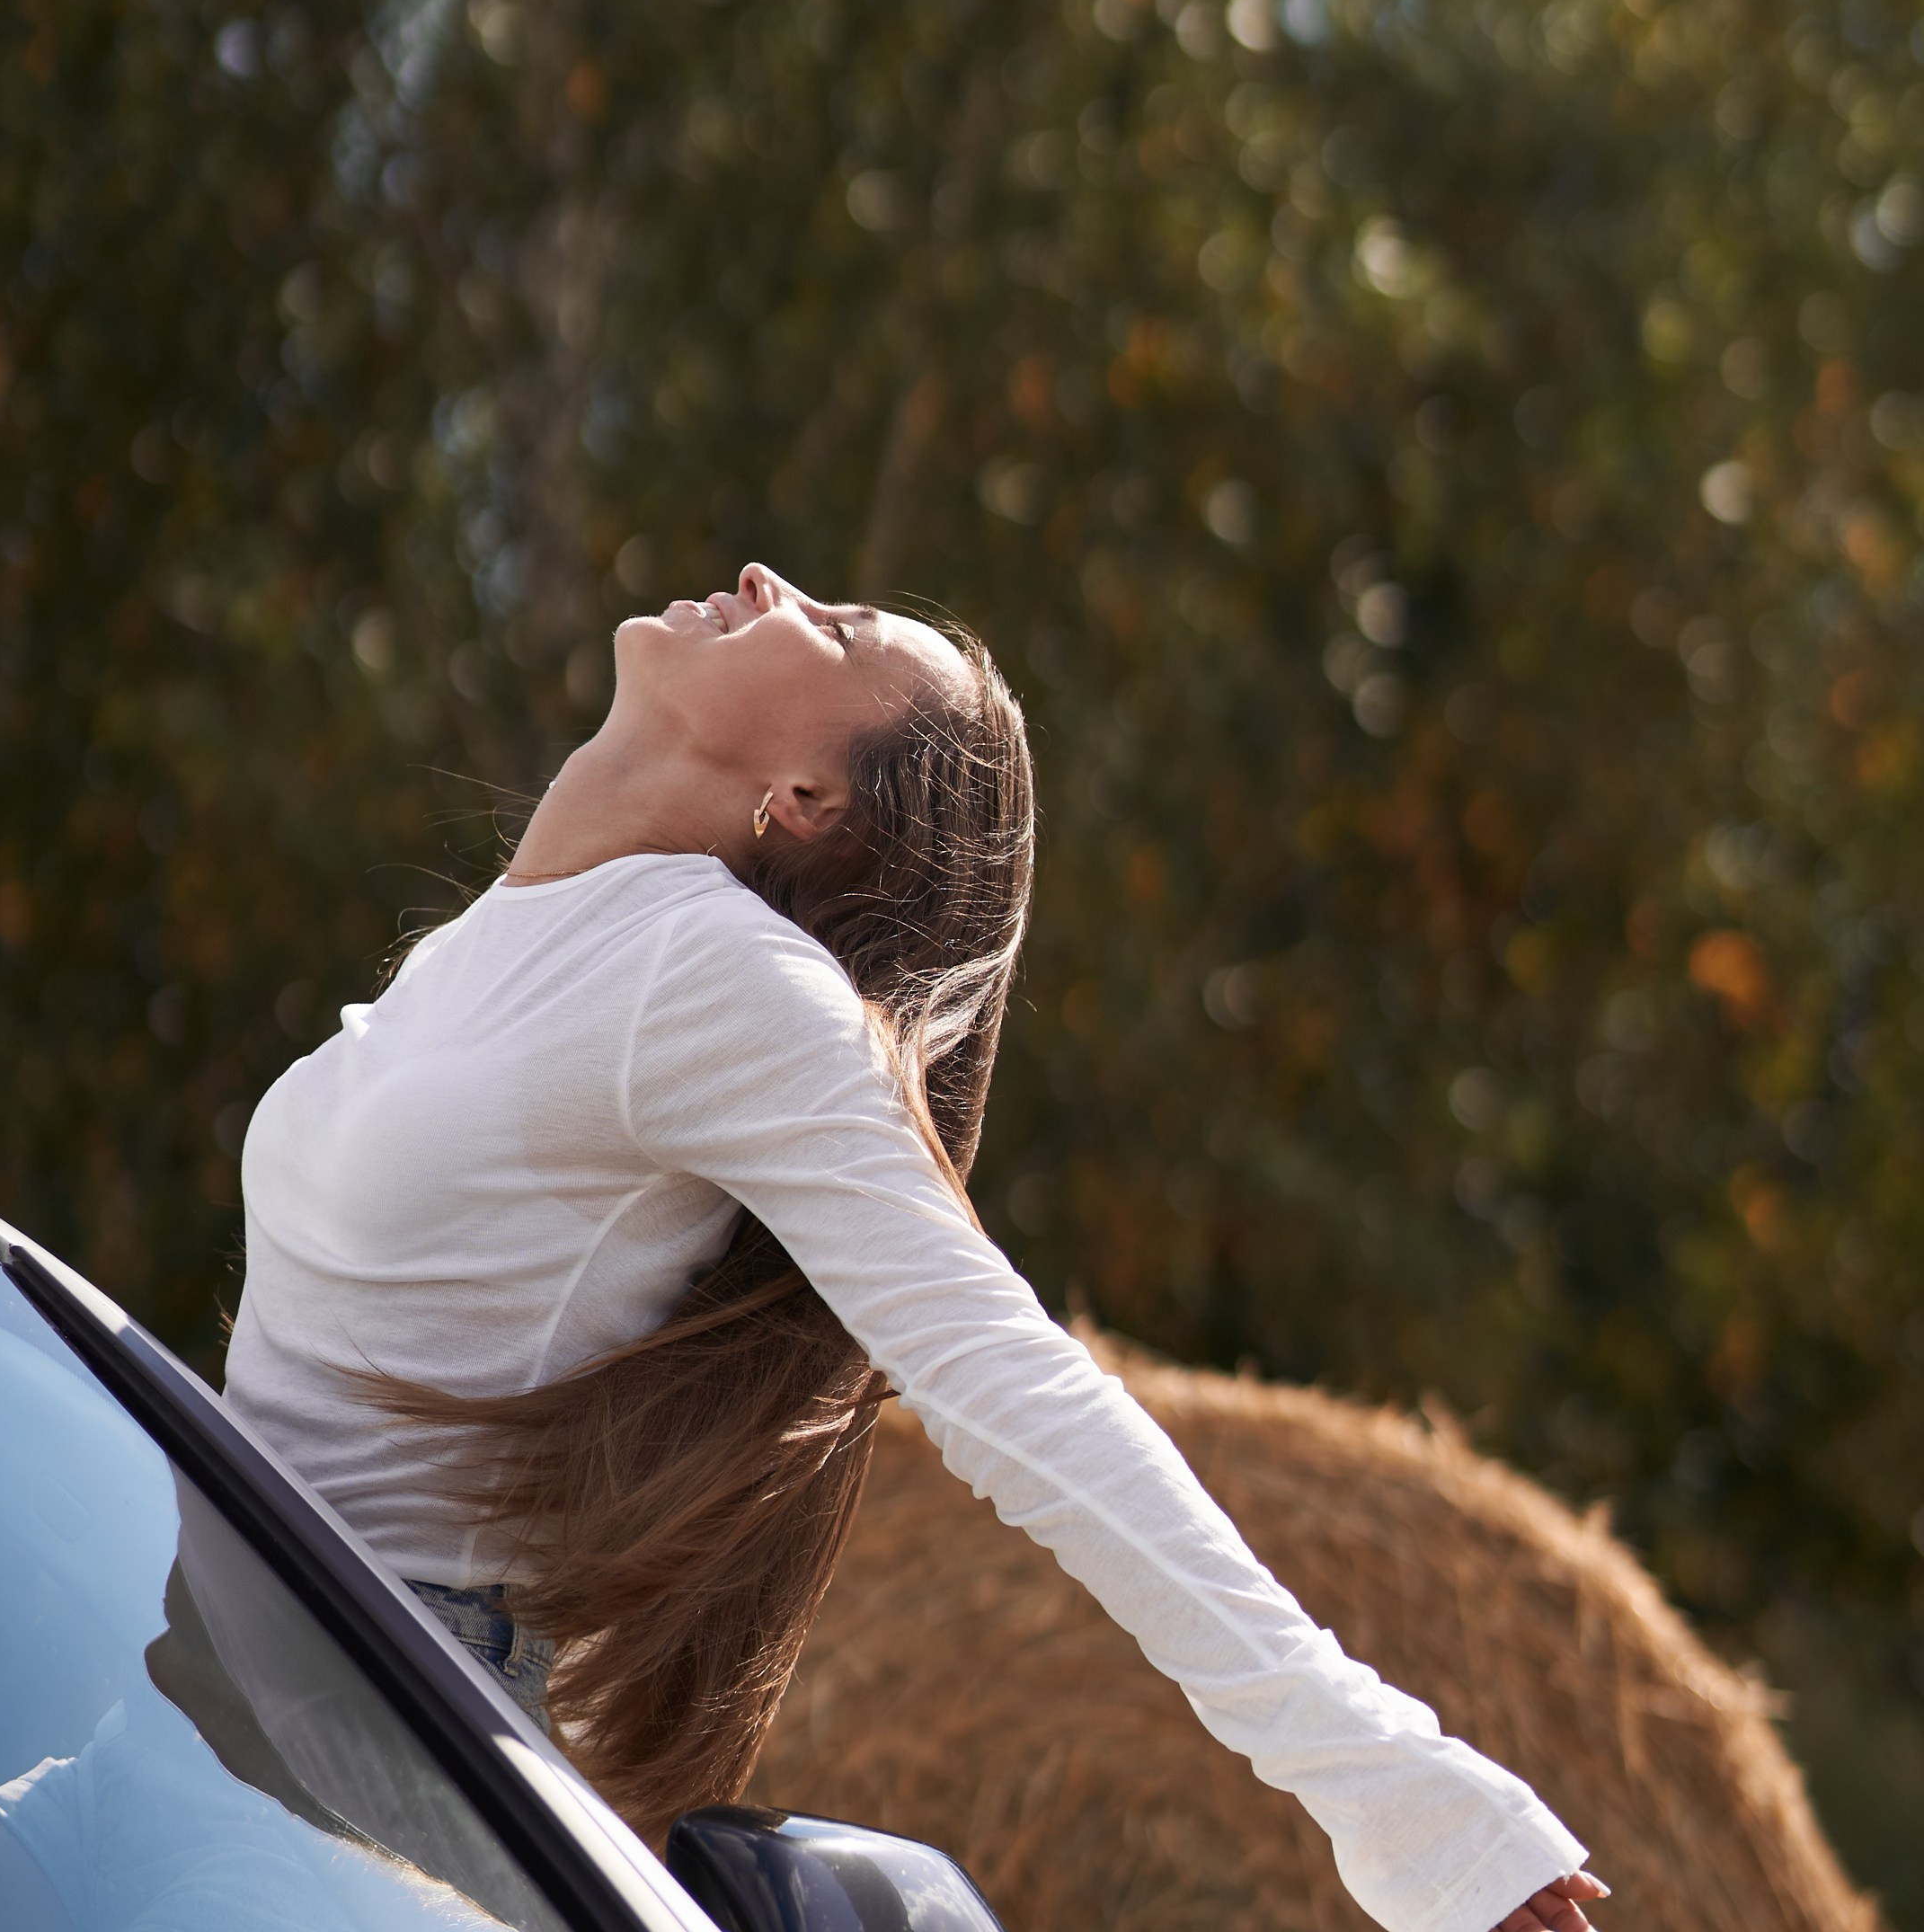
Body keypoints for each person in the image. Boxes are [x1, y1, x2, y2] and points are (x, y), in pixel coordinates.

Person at [224, 563, 1609, 1932]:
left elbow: (1018, 1386)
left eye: (833, 631)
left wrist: (1407, 1797)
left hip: (364, 1736)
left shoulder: (722, 983)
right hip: (209, 1637)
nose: (771, 580)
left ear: (806, 804)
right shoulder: (503, 937)